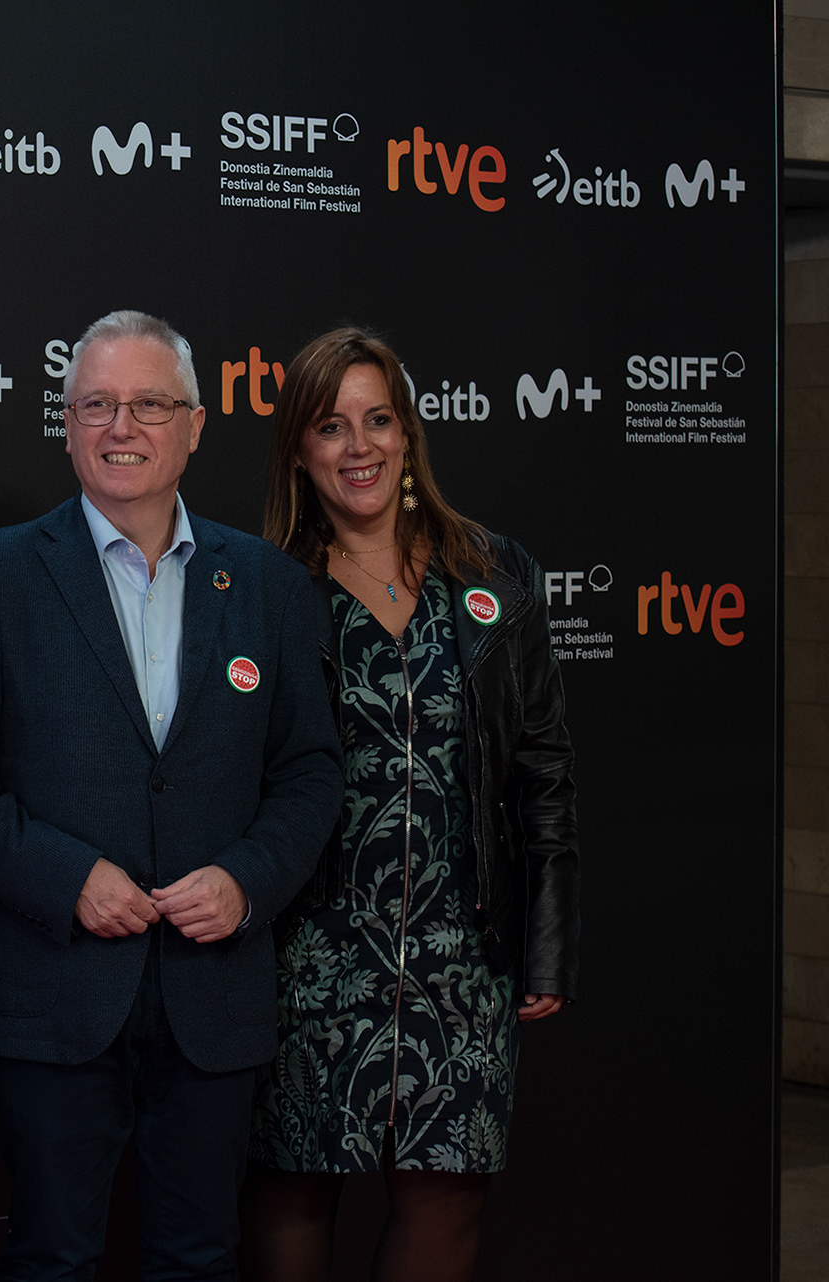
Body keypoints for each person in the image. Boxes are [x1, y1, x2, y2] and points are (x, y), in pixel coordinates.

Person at [0, 309, 344, 1282]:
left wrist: (246, 880)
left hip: (213, 992)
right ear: (67, 425)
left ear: (194, 425)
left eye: (149, 404)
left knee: (199, 1258)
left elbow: (311, 772)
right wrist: (68, 877)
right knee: (52, 1256)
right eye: (97, 405)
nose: (122, 427)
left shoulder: (270, 585)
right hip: (51, 986)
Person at [239, 327, 579, 1282]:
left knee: (444, 1209)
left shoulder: (496, 573)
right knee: (291, 1200)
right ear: (299, 453)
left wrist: (547, 941)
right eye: (331, 426)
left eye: (378, 420)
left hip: (462, 957)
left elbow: (544, 771)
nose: (360, 446)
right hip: (309, 960)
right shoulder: (265, 590)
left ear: (408, 434)